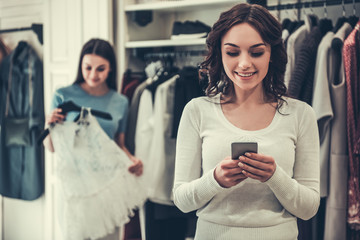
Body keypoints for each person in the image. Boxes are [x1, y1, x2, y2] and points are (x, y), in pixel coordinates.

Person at [173, 3, 320, 240]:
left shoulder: (301, 114)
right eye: (232, 52)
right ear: (219, 54)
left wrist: (275, 176)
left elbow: (309, 208)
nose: (244, 64)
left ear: (271, 53)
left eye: (256, 52)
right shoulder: (197, 111)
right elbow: (181, 200)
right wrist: (215, 180)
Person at [44, 38, 143, 177]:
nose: (93, 75)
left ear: (110, 68)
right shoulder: (62, 96)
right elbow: (52, 148)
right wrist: (49, 125)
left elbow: (118, 146)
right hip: (74, 178)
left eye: (100, 69)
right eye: (88, 67)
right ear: (81, 66)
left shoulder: (121, 102)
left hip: (109, 177)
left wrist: (132, 160)